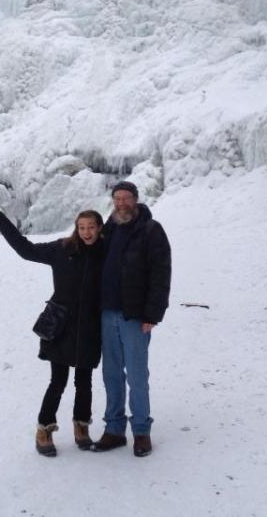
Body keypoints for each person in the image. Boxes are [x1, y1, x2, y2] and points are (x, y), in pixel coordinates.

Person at [0, 209, 105, 457]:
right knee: (58, 381)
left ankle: (81, 428)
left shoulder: (105, 253)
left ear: (99, 228)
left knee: (84, 382)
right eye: (82, 227)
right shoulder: (62, 249)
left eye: (91, 227)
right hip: (61, 326)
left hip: (90, 326)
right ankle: (44, 430)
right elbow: (26, 250)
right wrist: (1, 219)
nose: (86, 232)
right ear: (76, 228)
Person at [93, 180, 171, 457]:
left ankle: (141, 431)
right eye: (117, 199)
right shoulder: (109, 228)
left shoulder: (151, 230)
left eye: (126, 198)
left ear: (136, 200)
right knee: (111, 374)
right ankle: (114, 429)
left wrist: (153, 314)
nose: (121, 203)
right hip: (108, 313)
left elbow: (161, 274)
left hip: (135, 317)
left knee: (137, 376)